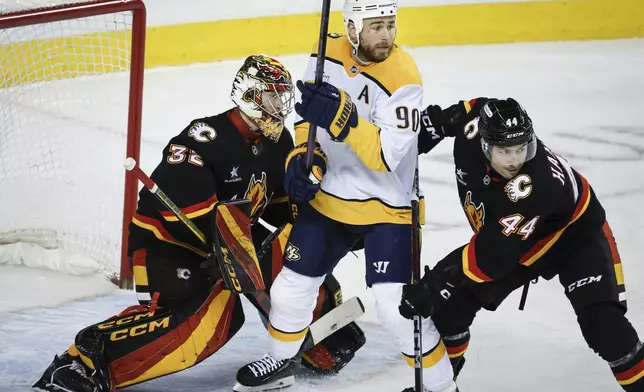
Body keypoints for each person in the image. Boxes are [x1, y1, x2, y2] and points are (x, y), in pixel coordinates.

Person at [33, 55, 365, 392]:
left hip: (229, 246)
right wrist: (228, 253)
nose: (280, 106)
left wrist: (335, 220)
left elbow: (280, 213)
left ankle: (312, 334)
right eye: (272, 98)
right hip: (168, 248)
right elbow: (191, 219)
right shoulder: (201, 141)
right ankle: (84, 359)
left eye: (283, 97)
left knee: (295, 248)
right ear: (250, 97)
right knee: (212, 322)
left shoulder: (278, 143)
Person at [234, 2, 457, 392]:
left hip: (387, 208)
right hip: (330, 201)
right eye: (375, 27)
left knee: (396, 308)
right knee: (289, 290)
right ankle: (281, 360)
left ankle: (440, 387)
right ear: (352, 28)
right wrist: (305, 163)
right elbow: (306, 124)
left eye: (390, 25)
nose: (385, 35)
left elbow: (387, 157)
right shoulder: (323, 57)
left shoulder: (404, 77)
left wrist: (345, 117)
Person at [399, 97, 644, 391]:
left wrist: (435, 281)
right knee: (450, 310)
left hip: (575, 236)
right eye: (505, 151)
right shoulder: (476, 123)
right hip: (516, 240)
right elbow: (466, 110)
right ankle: (439, 384)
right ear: (484, 143)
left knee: (604, 326)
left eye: (521, 149)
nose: (515, 160)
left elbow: (489, 258)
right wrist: (427, 130)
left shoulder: (535, 185)